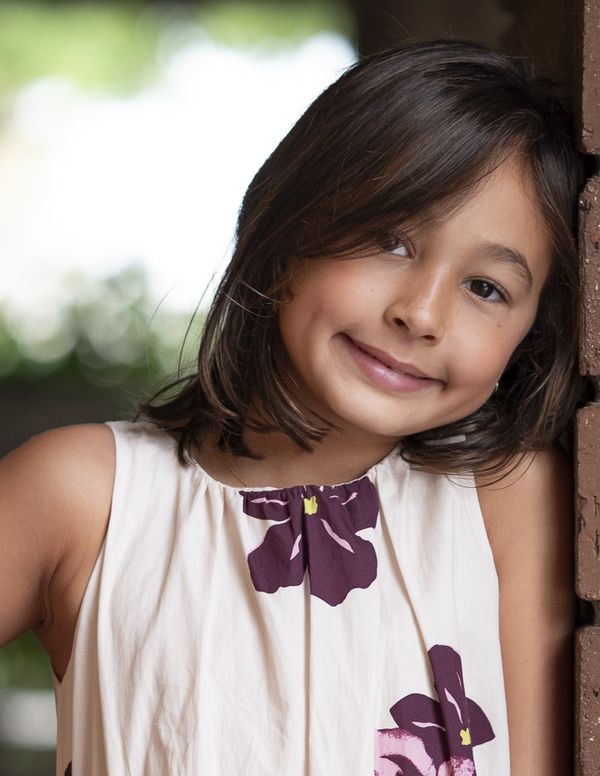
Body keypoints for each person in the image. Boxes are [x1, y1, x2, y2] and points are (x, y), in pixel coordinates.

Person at [0, 39, 580, 776]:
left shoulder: (507, 500)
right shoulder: (85, 495)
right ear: (289, 230)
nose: (422, 313)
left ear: (529, 336)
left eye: (486, 288)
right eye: (390, 241)